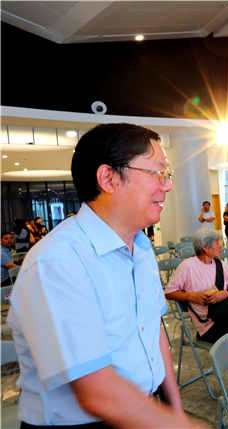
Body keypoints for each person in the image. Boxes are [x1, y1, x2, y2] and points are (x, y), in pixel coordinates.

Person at [7, 123, 208, 429]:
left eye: (167, 174)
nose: (167, 186)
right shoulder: (58, 261)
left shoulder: (140, 248)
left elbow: (152, 330)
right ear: (108, 178)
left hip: (143, 409)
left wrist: (175, 410)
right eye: (157, 173)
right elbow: (97, 394)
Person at [164, 229, 228, 399]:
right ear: (205, 248)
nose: (221, 246)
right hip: (209, 326)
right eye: (217, 243)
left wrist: (224, 294)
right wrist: (192, 296)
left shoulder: (221, 265)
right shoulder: (187, 266)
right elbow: (169, 292)